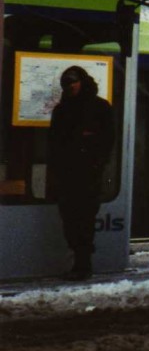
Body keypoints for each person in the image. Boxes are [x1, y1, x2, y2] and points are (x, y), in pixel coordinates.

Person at [48, 66, 115, 281]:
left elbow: (108, 140)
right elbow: (54, 142)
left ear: (82, 82)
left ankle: (83, 264)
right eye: (66, 84)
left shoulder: (100, 107)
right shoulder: (61, 110)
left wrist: (96, 163)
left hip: (87, 174)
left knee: (84, 219)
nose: (70, 87)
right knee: (70, 219)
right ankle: (80, 262)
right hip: (68, 173)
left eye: (73, 82)